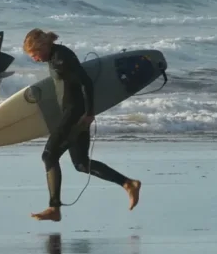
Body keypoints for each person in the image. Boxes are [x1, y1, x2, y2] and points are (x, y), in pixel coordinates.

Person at [22, 28, 141, 222]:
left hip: (75, 114)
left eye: (35, 55)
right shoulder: (54, 56)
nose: (35, 59)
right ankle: (129, 184)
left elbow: (86, 82)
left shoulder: (62, 58)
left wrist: (89, 112)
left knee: (49, 156)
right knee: (81, 164)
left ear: (43, 46)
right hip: (72, 112)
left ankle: (54, 207)